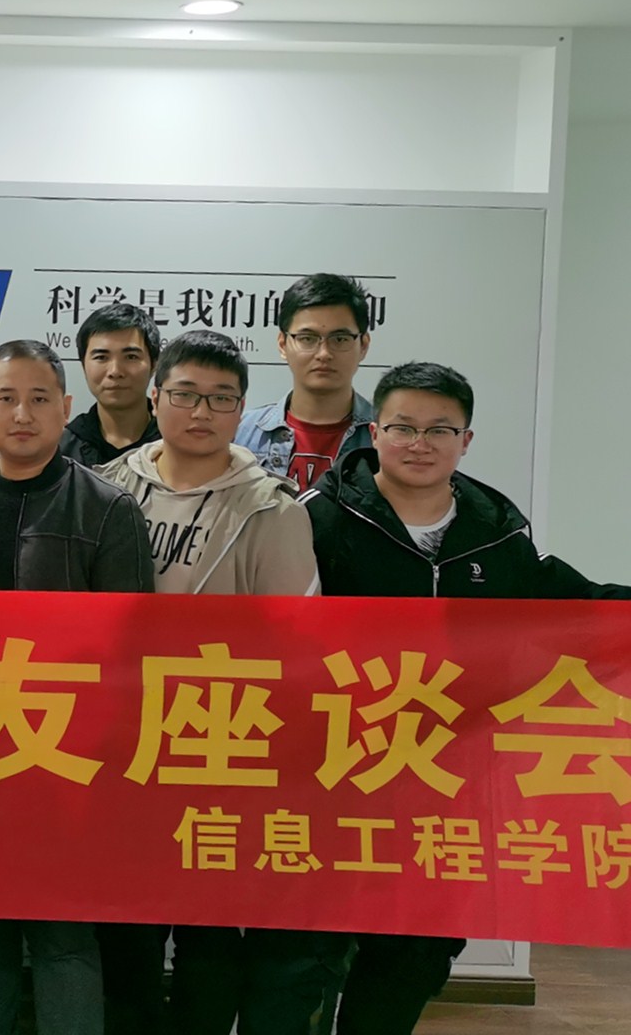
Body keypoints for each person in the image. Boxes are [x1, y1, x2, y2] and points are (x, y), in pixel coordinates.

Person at [301, 361, 628, 1035]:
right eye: (403, 427)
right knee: (307, 950)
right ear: (374, 431)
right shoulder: (317, 519)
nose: (419, 443)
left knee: (419, 949)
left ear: (466, 440)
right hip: (335, 772)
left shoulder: (497, 534)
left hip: (447, 780)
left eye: (440, 430)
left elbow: (576, 608)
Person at [96, 330, 344, 1035]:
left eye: (221, 399)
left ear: (243, 409)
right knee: (126, 934)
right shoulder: (106, 487)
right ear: (155, 397)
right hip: (119, 747)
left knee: (206, 936)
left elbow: (296, 645)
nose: (201, 412)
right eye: (185, 394)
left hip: (218, 749)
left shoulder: (272, 508)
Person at [0, 341, 151, 1035]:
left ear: (66, 408)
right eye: (6, 398)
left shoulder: (109, 509)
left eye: (39, 399)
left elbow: (131, 654)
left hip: (65, 760)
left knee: (64, 938)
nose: (22, 414)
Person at [235, 273, 377, 492]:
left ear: (364, 345)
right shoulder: (240, 433)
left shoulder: (388, 438)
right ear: (283, 344)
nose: (324, 353)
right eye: (307, 339)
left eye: (340, 339)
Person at [58, 303, 161, 468]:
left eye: (131, 357)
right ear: (83, 365)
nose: (115, 371)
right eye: (101, 357)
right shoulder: (59, 450)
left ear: (154, 364)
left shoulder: (175, 443)